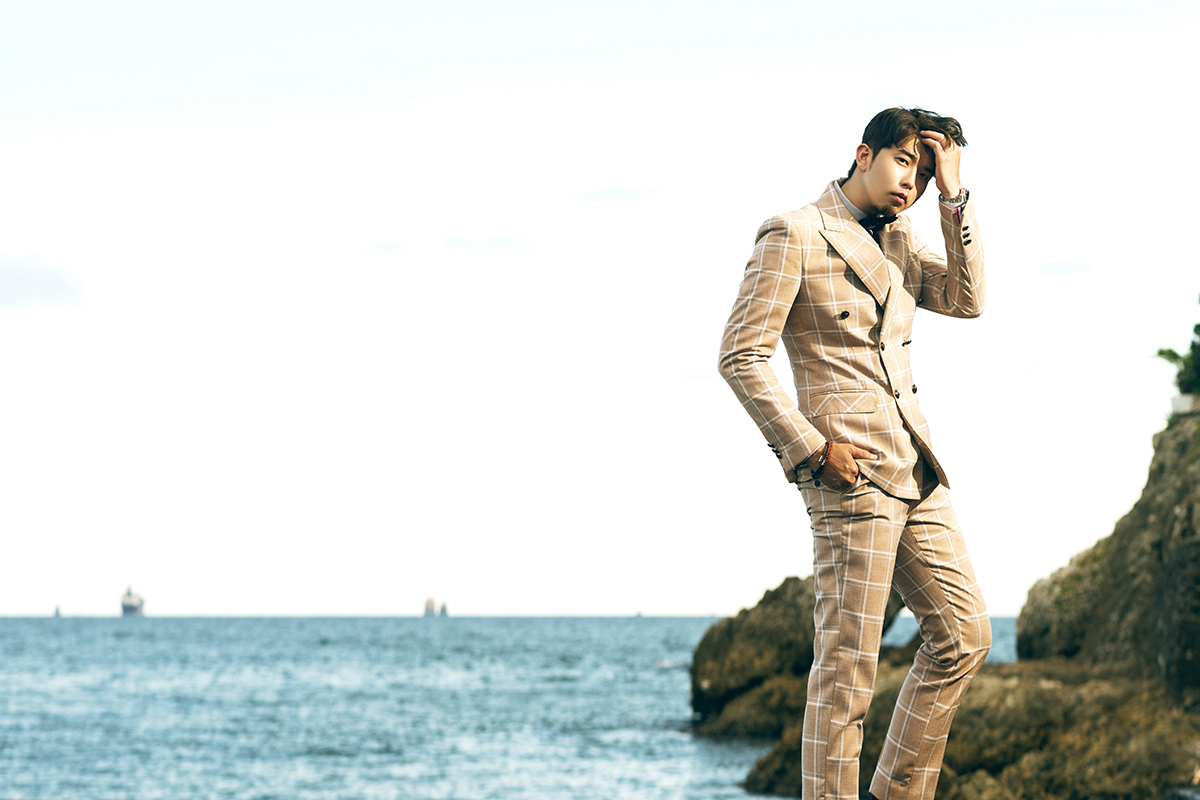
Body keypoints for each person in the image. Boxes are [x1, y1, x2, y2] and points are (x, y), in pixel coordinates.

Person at [717, 107, 991, 800]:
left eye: (923, 175)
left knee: (964, 635)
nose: (911, 184)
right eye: (904, 162)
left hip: (916, 466)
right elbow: (741, 356)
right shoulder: (796, 233)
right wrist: (813, 451)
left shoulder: (902, 241)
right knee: (847, 673)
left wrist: (954, 194)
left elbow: (967, 300)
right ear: (863, 154)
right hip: (848, 474)